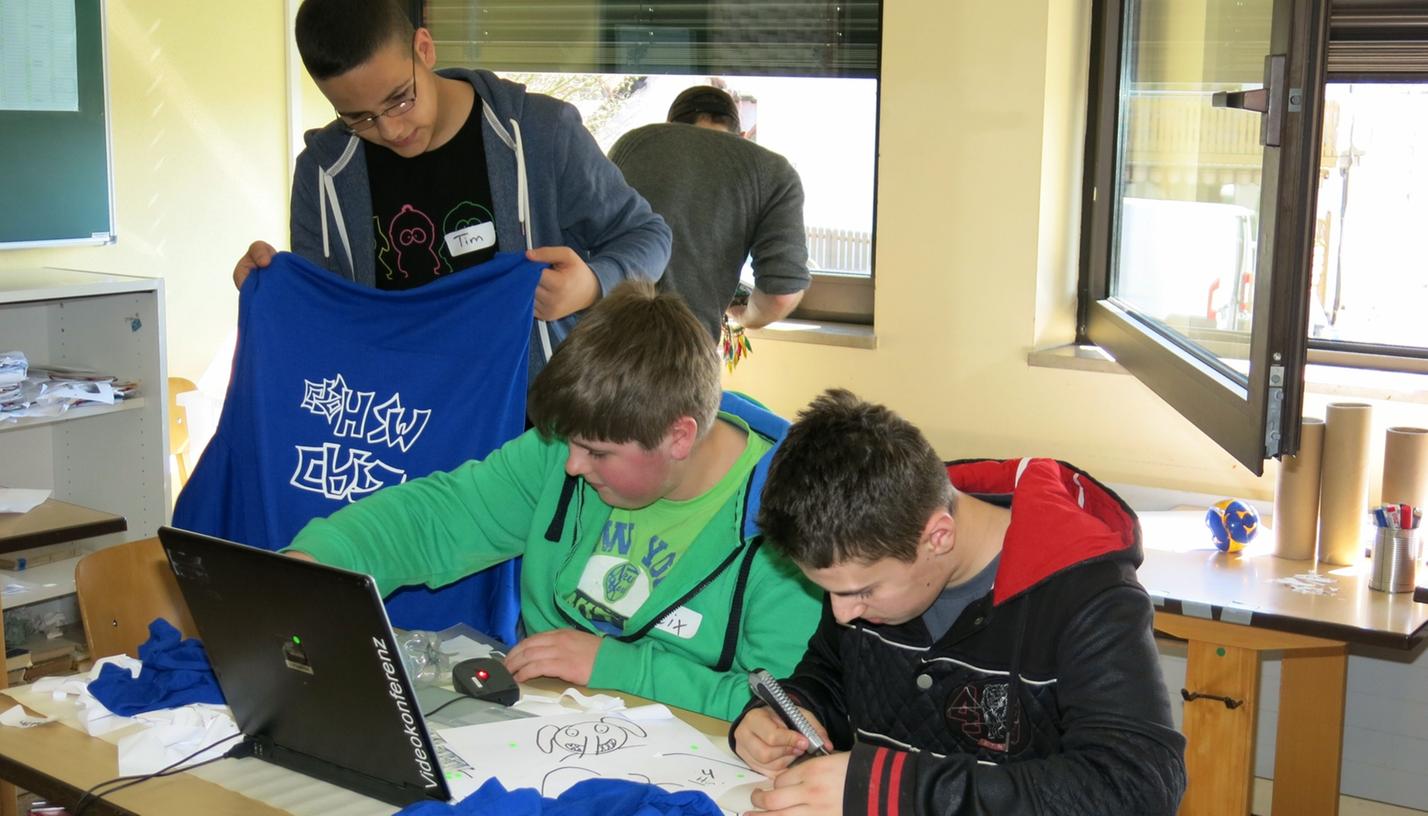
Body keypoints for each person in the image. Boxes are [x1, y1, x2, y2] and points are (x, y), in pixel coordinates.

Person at [284, 281, 823, 721]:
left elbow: (783, 705)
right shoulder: (574, 444)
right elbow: (438, 517)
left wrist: (616, 666)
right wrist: (317, 566)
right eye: (568, 444)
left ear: (679, 436)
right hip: (543, 733)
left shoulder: (792, 528)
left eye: (596, 453)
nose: (571, 466)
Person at [731, 389, 1187, 815]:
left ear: (938, 536)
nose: (841, 613)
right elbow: (830, 676)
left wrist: (899, 793)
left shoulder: (1087, 596)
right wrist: (788, 711)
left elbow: (1139, 784)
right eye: (829, 591)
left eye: (861, 592)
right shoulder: (871, 549)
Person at [233, 0, 671, 376]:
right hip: (405, 427)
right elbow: (323, 315)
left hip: (536, 427)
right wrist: (274, 289)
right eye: (358, 118)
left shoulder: (540, 133)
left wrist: (593, 283)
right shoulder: (322, 172)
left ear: (423, 49)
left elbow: (648, 236)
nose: (389, 129)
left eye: (399, 98)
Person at [609, 85, 808, 341]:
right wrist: (745, 316)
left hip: (604, 339)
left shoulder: (631, 145)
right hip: (684, 353)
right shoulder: (774, 172)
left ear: (668, 126)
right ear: (743, 136)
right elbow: (782, 294)